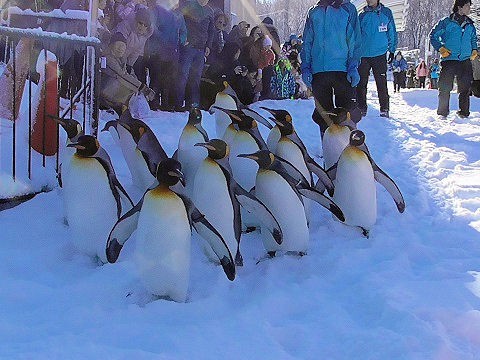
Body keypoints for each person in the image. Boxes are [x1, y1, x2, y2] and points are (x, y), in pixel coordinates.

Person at [300, 0, 361, 136]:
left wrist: (353, 65)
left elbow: (354, 40)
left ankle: (349, 148)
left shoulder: (348, 9)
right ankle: (328, 148)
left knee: (346, 113)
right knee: (324, 116)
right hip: (319, 71)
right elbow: (307, 42)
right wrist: (305, 66)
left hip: (342, 70)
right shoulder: (314, 11)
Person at [430, 0, 477, 118]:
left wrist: (474, 49)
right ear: (459, 7)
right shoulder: (446, 22)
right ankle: (442, 113)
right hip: (449, 59)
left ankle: (464, 113)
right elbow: (433, 36)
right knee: (445, 87)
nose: (469, 9)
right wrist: (440, 48)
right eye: (467, 6)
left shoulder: (470, 24)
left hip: (465, 60)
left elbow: (473, 39)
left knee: (465, 88)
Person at [144, 0, 186, 111]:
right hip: (157, 51)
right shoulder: (156, 10)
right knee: (156, 77)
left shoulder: (179, 14)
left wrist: (181, 40)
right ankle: (153, 102)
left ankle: (166, 103)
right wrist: (162, 39)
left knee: (169, 79)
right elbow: (153, 27)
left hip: (173, 52)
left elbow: (183, 31)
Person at [357, 0, 397, 118]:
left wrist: (392, 50)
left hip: (380, 54)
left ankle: (384, 108)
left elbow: (392, 32)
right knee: (361, 83)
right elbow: (357, 35)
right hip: (363, 55)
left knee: (381, 83)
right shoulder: (362, 15)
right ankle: (361, 107)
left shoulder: (386, 13)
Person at [99, 32, 154, 115]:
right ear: (111, 46)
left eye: (123, 46)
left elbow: (130, 75)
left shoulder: (122, 59)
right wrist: (142, 88)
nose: (120, 48)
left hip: (112, 90)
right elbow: (122, 76)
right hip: (104, 90)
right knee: (124, 84)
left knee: (132, 88)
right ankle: (116, 106)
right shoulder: (107, 58)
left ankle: (125, 108)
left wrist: (138, 89)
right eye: (118, 45)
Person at [176, 0, 214, 111]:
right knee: (183, 76)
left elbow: (211, 31)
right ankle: (178, 104)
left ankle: (193, 105)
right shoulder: (189, 5)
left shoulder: (210, 11)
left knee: (196, 78)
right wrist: (183, 39)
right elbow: (180, 21)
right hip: (188, 48)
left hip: (200, 50)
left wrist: (208, 46)